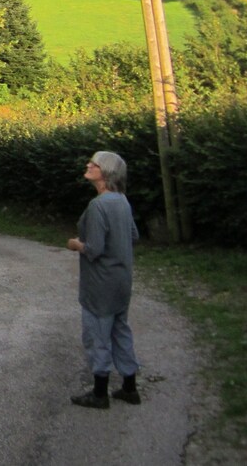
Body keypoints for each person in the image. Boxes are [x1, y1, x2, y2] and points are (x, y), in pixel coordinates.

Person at [66, 151, 141, 409]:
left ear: (105, 173)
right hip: (122, 280)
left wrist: (76, 244)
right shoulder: (122, 201)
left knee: (97, 335)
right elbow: (133, 236)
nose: (88, 165)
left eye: (94, 164)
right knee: (120, 331)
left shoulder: (98, 206)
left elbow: (94, 249)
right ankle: (130, 388)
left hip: (100, 284)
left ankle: (99, 394)